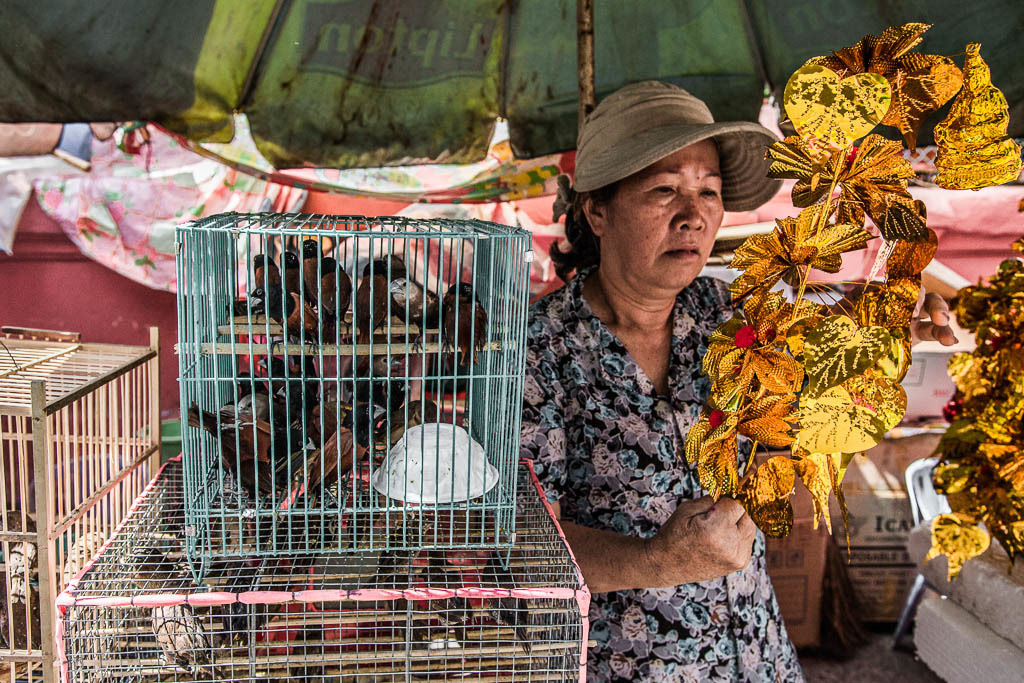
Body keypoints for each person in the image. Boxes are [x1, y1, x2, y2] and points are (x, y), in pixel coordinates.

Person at [519, 81, 956, 682]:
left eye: (709, 191)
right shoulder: (537, 349)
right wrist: (656, 560)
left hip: (757, 654)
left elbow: (816, 345)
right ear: (598, 211)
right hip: (625, 664)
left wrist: (887, 322)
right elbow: (519, 545)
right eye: (664, 190)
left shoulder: (726, 312)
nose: (693, 215)